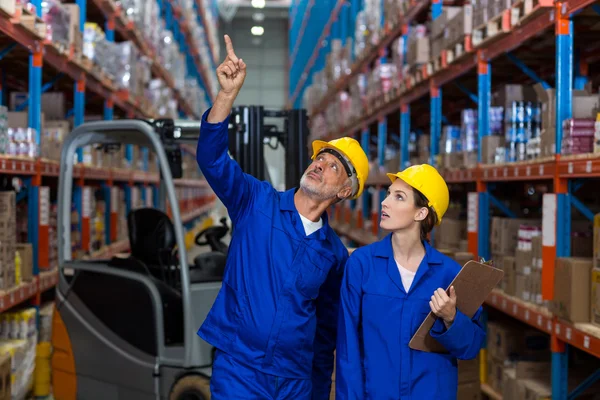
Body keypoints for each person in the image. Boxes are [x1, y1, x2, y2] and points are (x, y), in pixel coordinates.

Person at [195, 34, 370, 400]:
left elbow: (324, 334)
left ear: (344, 192)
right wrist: (226, 96)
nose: (320, 164)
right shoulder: (256, 202)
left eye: (333, 166)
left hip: (294, 381)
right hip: (240, 371)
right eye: (319, 158)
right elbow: (212, 161)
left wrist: (319, 392)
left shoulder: (333, 255)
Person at [335, 164, 486, 399]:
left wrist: (451, 318)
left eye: (399, 197)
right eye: (388, 195)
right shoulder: (362, 265)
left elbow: (471, 347)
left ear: (421, 213)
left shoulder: (450, 274)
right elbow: (348, 348)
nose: (385, 203)